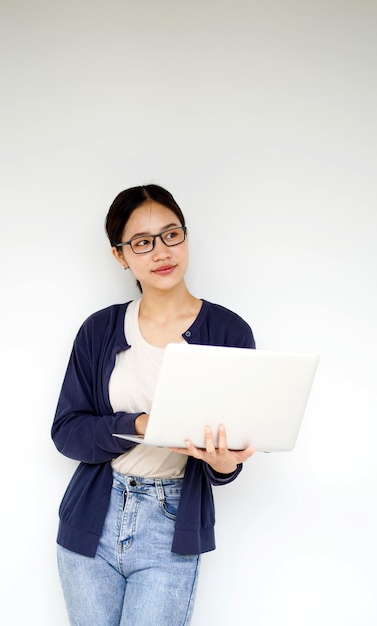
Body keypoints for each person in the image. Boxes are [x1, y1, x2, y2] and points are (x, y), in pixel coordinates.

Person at [52, 184, 256, 626]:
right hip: (93, 519)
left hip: (171, 523)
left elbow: (229, 456)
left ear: (185, 236)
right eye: (142, 243)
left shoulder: (228, 332)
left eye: (171, 234)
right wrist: (141, 423)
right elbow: (67, 431)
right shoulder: (99, 330)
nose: (161, 252)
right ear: (121, 256)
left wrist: (224, 464)